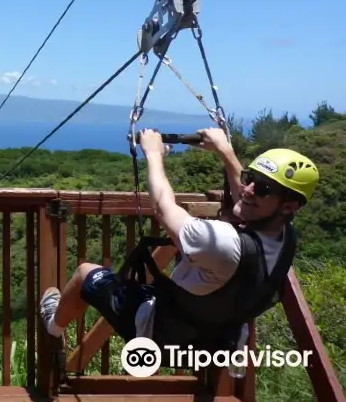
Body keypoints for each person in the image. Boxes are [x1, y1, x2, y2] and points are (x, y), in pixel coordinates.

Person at [37, 127, 318, 364]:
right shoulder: (284, 237)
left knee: (86, 272)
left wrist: (154, 154)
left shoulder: (222, 243)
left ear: (288, 206)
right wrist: (226, 152)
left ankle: (53, 328)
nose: (248, 190)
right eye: (250, 179)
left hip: (161, 335)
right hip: (217, 344)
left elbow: (162, 206)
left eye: (263, 189)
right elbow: (243, 199)